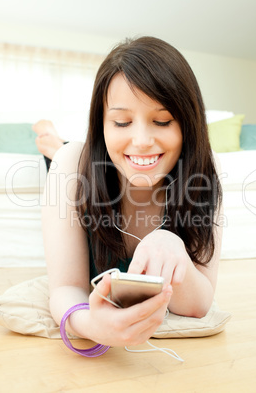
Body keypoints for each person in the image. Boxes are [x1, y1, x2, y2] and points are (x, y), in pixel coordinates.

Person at [40, 36, 223, 352]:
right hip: (84, 167)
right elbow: (65, 287)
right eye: (122, 122)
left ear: (188, 125)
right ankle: (50, 140)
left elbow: (199, 304)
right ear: (102, 124)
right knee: (61, 154)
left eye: (162, 121)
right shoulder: (72, 165)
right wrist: (92, 326)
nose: (141, 140)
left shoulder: (203, 173)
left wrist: (173, 247)